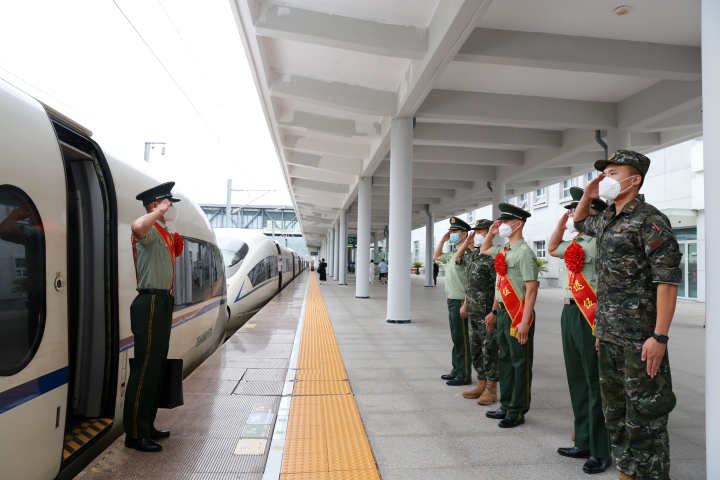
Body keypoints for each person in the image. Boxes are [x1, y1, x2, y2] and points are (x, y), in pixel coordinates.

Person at [574, 150, 681, 480]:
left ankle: (652, 474)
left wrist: (659, 336)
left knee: (645, 414)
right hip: (608, 335)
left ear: (634, 180)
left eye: (613, 173)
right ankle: (628, 471)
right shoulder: (607, 217)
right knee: (616, 411)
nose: (606, 178)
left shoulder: (650, 220)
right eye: (604, 173)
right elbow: (579, 223)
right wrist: (589, 196)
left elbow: (666, 281)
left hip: (640, 339)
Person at [549, 187, 610, 475]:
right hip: (570, 310)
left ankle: (601, 449)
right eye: (571, 210)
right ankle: (583, 440)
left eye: (576, 210)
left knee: (593, 381)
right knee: (576, 379)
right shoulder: (577, 240)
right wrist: (562, 226)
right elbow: (551, 248)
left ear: (592, 212)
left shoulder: (601, 241)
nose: (572, 214)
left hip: (591, 312)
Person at [123, 182, 183, 452]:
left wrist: (164, 219)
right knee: (145, 369)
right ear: (154, 205)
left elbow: (174, 251)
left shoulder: (164, 233)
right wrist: (158, 211)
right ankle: (135, 434)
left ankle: (147, 424)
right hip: (149, 302)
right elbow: (137, 227)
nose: (170, 209)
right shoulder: (146, 229)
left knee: (155, 369)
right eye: (167, 204)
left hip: (163, 302)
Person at [480, 203, 538, 428]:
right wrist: (494, 310)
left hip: (519, 315)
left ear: (518, 224)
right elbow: (485, 250)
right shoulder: (504, 250)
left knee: (519, 362)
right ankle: (505, 404)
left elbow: (531, 289)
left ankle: (517, 410)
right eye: (500, 221)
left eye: (505, 222)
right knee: (504, 359)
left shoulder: (524, 253)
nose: (501, 225)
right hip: (503, 312)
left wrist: (524, 321)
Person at [454, 219, 498, 404]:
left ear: (490, 233)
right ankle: (480, 382)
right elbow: (457, 258)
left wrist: (494, 312)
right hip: (472, 310)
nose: (478, 235)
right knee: (475, 349)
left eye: (481, 232)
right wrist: (466, 242)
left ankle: (491, 388)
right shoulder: (473, 255)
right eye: (476, 232)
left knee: (489, 350)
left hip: (486, 312)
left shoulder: (493, 257)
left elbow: (499, 286)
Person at [433, 216, 472, 386]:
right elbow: (436, 256)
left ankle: (464, 375)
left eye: (455, 231)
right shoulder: (451, 253)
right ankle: (456, 369)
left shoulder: (468, 254)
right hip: (451, 300)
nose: (452, 234)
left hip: (460, 300)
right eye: (451, 231)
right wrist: (443, 239)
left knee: (462, 338)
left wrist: (466, 303)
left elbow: (472, 281)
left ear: (465, 234)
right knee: (456, 337)